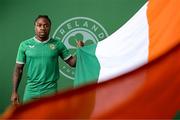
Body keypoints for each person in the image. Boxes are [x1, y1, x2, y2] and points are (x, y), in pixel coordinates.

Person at [11, 15, 84, 104]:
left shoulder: (58, 44)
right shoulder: (25, 45)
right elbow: (18, 69)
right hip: (31, 91)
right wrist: (14, 92)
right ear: (35, 27)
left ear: (50, 27)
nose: (42, 28)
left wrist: (79, 50)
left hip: (50, 91)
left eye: (46, 25)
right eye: (39, 25)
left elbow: (73, 63)